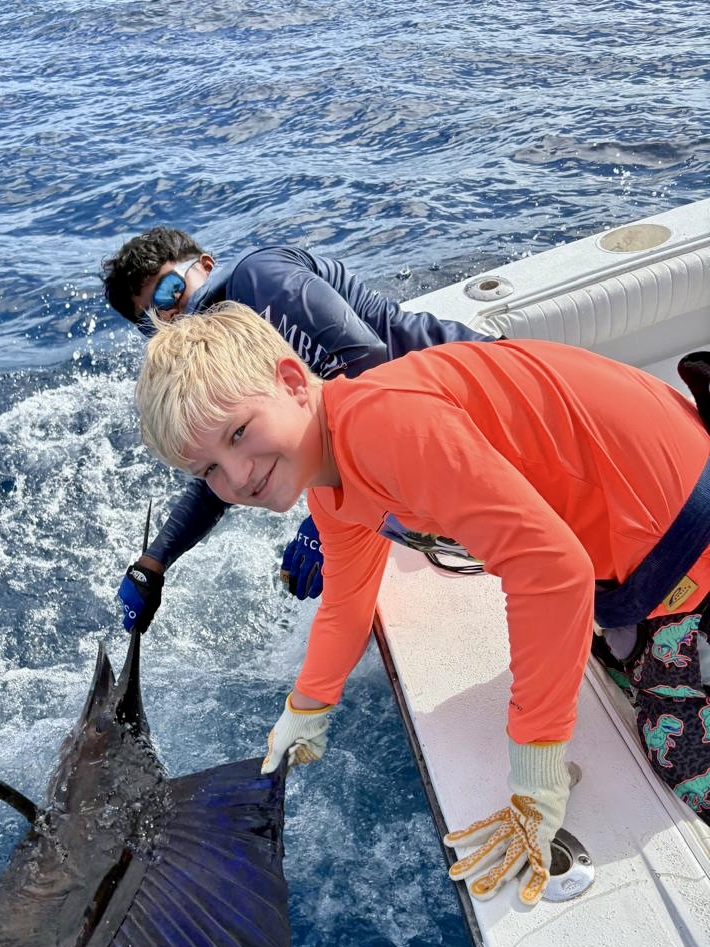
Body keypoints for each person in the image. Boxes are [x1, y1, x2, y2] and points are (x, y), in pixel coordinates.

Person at [133, 301, 710, 907]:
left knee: (684, 757)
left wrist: (536, 773)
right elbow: (346, 600)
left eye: (239, 434)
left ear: (291, 382)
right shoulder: (332, 481)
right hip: (634, 541)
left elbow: (551, 571)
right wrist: (307, 706)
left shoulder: (384, 427)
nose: (238, 475)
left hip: (685, 534)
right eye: (209, 471)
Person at [100, 227, 492, 633]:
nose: (170, 317)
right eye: (151, 321)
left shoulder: (257, 278)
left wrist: (330, 521)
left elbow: (370, 366)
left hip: (477, 399)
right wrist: (153, 563)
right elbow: (225, 465)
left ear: (205, 266)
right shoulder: (221, 352)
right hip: (426, 451)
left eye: (169, 293)